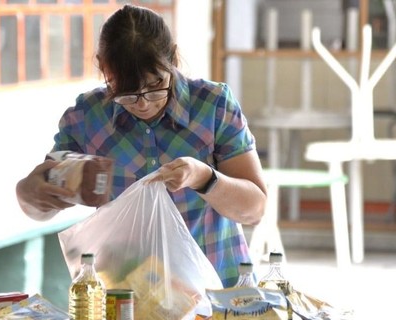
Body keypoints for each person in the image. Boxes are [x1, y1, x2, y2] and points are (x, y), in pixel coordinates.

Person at [16, 4, 267, 287]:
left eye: (155, 85)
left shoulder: (213, 106)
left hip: (218, 292)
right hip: (130, 302)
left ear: (172, 56)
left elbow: (254, 208)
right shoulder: (88, 117)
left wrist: (203, 177)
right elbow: (43, 205)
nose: (143, 103)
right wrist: (28, 193)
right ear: (102, 67)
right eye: (125, 93)